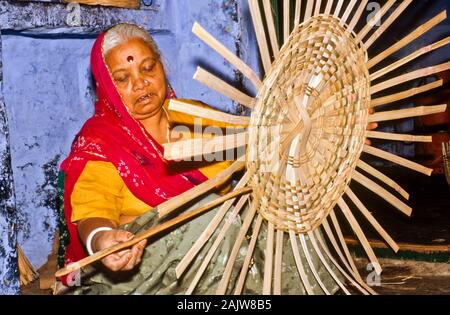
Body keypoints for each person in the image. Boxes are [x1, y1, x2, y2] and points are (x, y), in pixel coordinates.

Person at [57, 23, 370, 295]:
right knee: (200, 215)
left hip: (217, 248)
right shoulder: (101, 143)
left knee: (284, 211)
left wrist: (334, 128)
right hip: (137, 271)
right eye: (122, 78)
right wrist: (104, 240)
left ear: (162, 67)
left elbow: (261, 145)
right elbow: (90, 214)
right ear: (107, 89)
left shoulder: (191, 118)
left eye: (148, 67)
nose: (139, 83)